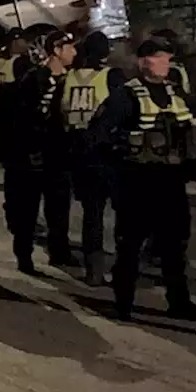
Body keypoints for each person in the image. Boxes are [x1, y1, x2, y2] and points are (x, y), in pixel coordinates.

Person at [88, 36, 196, 322]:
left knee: (174, 246)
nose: (165, 62)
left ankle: (179, 302)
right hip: (137, 182)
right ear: (143, 62)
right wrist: (126, 152)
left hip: (170, 182)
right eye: (158, 57)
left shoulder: (176, 94)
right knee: (130, 245)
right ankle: (123, 303)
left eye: (167, 57)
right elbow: (100, 136)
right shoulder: (125, 96)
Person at [4, 30, 78, 275]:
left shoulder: (73, 79)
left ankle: (60, 251)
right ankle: (24, 255)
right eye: (69, 48)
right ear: (56, 50)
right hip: (34, 154)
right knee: (28, 208)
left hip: (60, 153)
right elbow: (22, 117)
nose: (74, 53)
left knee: (59, 207)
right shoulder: (34, 79)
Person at [61, 31, 126, 285]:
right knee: (121, 213)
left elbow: (62, 113)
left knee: (92, 213)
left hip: (78, 150)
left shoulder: (71, 78)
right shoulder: (111, 77)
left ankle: (93, 269)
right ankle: (120, 267)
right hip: (106, 153)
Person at [0, 27, 28, 170]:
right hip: (8, 107)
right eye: (23, 40)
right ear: (16, 42)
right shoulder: (19, 62)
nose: (26, 44)